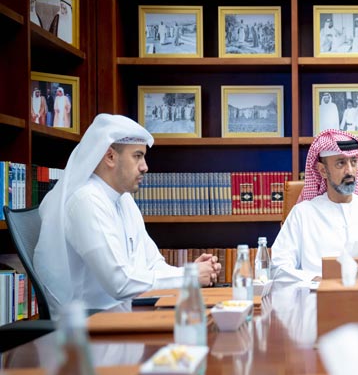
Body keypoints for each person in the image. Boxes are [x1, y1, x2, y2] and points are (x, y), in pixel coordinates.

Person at [33, 114, 222, 316]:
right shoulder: (86, 201)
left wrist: (191, 271)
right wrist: (189, 276)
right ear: (110, 157)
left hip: (126, 314)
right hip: (90, 325)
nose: (145, 167)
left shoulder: (124, 199)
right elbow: (120, 283)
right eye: (137, 156)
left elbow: (153, 263)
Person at [272, 129, 358, 282]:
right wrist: (315, 279)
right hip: (316, 295)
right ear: (323, 170)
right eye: (341, 163)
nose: (350, 171)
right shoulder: (302, 214)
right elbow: (278, 267)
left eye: (353, 162)